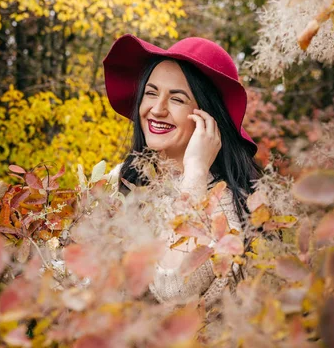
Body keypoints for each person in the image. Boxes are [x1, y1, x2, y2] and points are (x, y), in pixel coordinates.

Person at [103, 34, 261, 306]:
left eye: (177, 99)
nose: (157, 109)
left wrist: (196, 172)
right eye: (151, 93)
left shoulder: (226, 204)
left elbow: (173, 289)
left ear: (208, 118)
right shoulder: (121, 182)